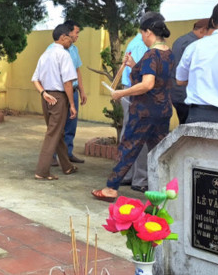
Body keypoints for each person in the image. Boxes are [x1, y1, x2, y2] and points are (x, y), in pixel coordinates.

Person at [92, 14, 174, 202]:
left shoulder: (151, 54)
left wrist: (121, 93)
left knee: (128, 147)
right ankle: (166, 188)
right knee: (160, 151)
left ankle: (111, 189)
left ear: (149, 32)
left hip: (144, 111)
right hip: (162, 110)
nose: (142, 37)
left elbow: (147, 84)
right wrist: (134, 66)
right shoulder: (168, 53)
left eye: (143, 33)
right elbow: (155, 75)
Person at [116, 12, 163, 192]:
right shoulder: (144, 46)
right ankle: (140, 178)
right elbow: (144, 77)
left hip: (130, 92)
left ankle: (127, 175)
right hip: (137, 94)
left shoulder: (135, 42)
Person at [33, 23, 79, 180]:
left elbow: (35, 79)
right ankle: (42, 171)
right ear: (63, 37)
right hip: (59, 97)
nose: (71, 41)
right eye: (70, 38)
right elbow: (67, 82)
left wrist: (43, 93)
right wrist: (72, 104)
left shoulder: (44, 54)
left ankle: (67, 166)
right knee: (53, 133)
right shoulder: (63, 55)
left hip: (46, 97)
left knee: (57, 132)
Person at [51, 19, 86, 166]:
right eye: (76, 32)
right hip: (60, 92)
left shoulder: (74, 50)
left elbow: (77, 70)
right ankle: (52, 155)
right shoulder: (54, 50)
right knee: (57, 125)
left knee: (71, 125)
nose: (77, 36)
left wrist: (82, 91)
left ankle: (68, 153)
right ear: (68, 33)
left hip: (74, 90)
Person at [170, 18, 210, 125]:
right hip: (187, 94)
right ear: (203, 30)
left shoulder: (180, 40)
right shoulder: (196, 44)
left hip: (176, 92)